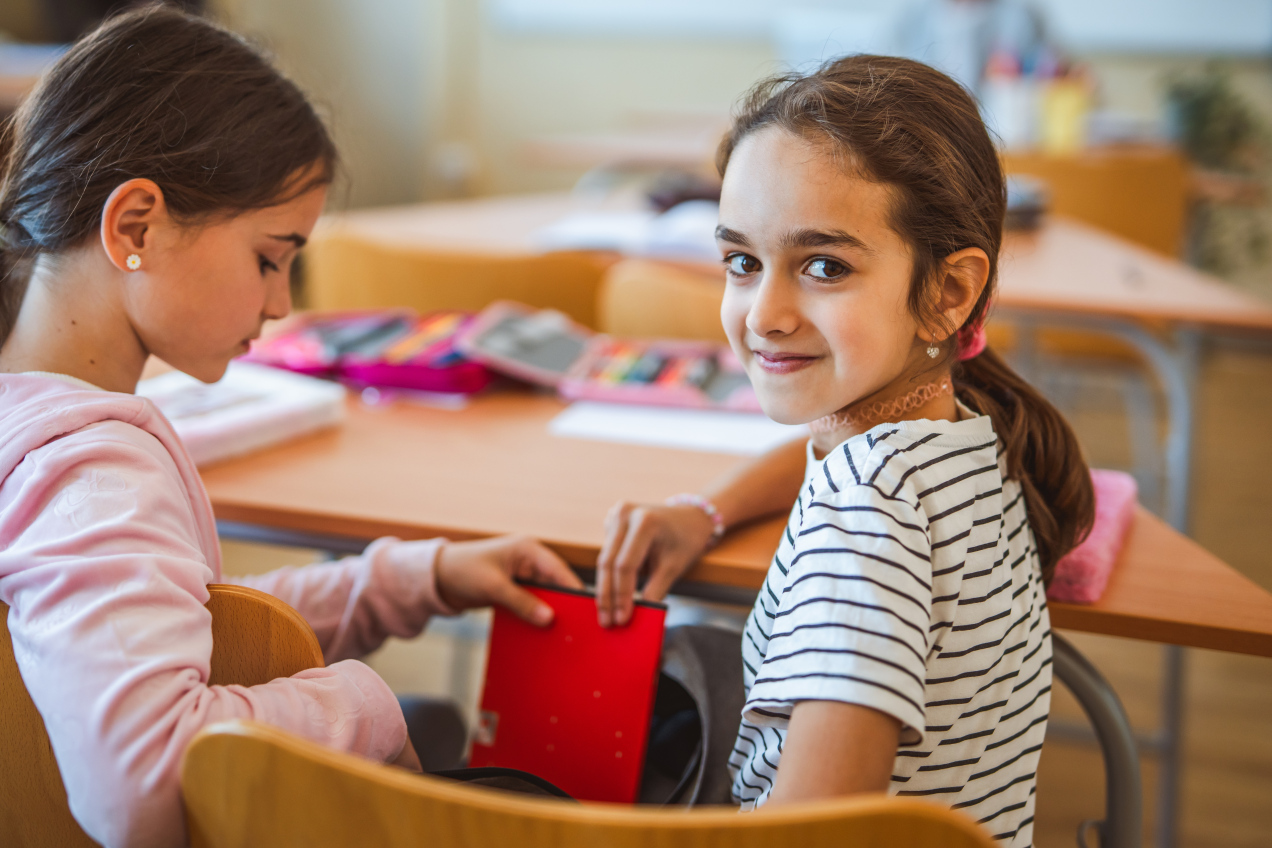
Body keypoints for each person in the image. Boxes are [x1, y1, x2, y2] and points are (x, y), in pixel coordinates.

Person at [0, 8, 581, 847]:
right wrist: (362, 708)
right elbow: (144, 781)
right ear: (135, 227)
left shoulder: (34, 416)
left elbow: (179, 626)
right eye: (270, 258)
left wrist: (412, 580)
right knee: (444, 729)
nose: (280, 303)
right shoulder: (92, 473)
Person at [595, 55, 1093, 844]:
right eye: (741, 262)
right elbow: (823, 460)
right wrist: (704, 511)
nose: (764, 314)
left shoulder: (862, 515)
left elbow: (817, 832)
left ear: (950, 293)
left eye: (824, 267)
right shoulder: (967, 429)